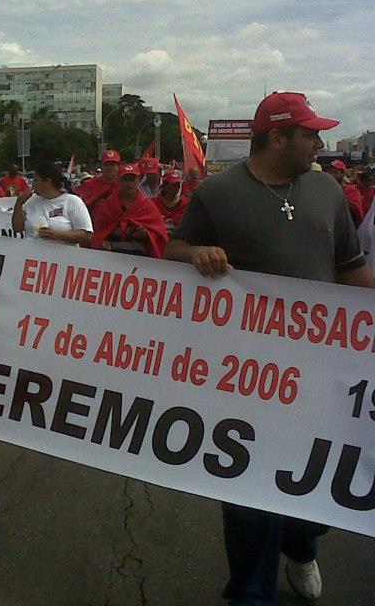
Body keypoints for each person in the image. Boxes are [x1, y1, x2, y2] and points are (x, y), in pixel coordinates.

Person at [165, 92, 375, 606]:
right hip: (243, 373)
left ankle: (302, 547)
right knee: (248, 487)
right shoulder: (218, 194)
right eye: (310, 134)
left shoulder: (326, 190)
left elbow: (350, 268)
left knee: (312, 483)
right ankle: (251, 593)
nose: (319, 143)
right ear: (277, 137)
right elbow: (172, 249)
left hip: (320, 372)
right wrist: (197, 253)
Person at [91, 163, 168, 257]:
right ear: (118, 180)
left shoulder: (148, 207)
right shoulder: (108, 206)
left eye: (132, 180)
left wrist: (147, 234)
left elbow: (160, 236)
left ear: (138, 180)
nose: (129, 184)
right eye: (125, 179)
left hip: (141, 261)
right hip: (110, 259)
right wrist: (101, 242)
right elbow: (98, 233)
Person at [12, 161, 92, 245]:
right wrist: (19, 204)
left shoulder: (73, 201)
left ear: (48, 181)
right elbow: (17, 228)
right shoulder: (31, 200)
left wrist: (58, 235)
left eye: (36, 180)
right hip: (32, 255)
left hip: (60, 256)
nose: (33, 185)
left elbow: (87, 236)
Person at [75, 149, 121, 221]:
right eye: (106, 165)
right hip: (95, 227)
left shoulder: (126, 186)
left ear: (119, 166)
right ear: (101, 166)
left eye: (112, 165)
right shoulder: (90, 185)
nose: (108, 168)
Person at [326, 159, 364, 227]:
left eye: (335, 172)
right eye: (330, 172)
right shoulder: (326, 189)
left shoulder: (352, 190)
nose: (332, 175)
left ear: (343, 174)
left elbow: (356, 211)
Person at [151, 170, 189, 234]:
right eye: (173, 185)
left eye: (178, 184)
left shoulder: (186, 203)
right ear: (165, 186)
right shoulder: (153, 203)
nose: (176, 187)